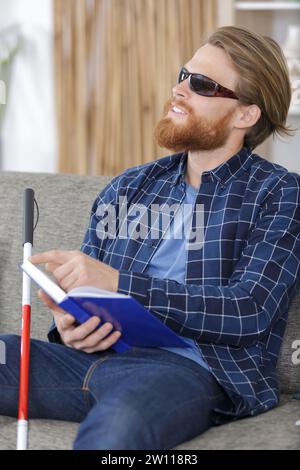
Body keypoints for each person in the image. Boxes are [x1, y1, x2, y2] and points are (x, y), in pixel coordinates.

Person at [1, 25, 300, 450]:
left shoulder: (279, 193)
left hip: (189, 372)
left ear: (245, 115)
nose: (179, 90)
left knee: (119, 428)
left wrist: (121, 284)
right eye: (183, 75)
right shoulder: (130, 187)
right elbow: (86, 287)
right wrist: (68, 326)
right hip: (87, 361)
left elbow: (248, 310)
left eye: (201, 85)